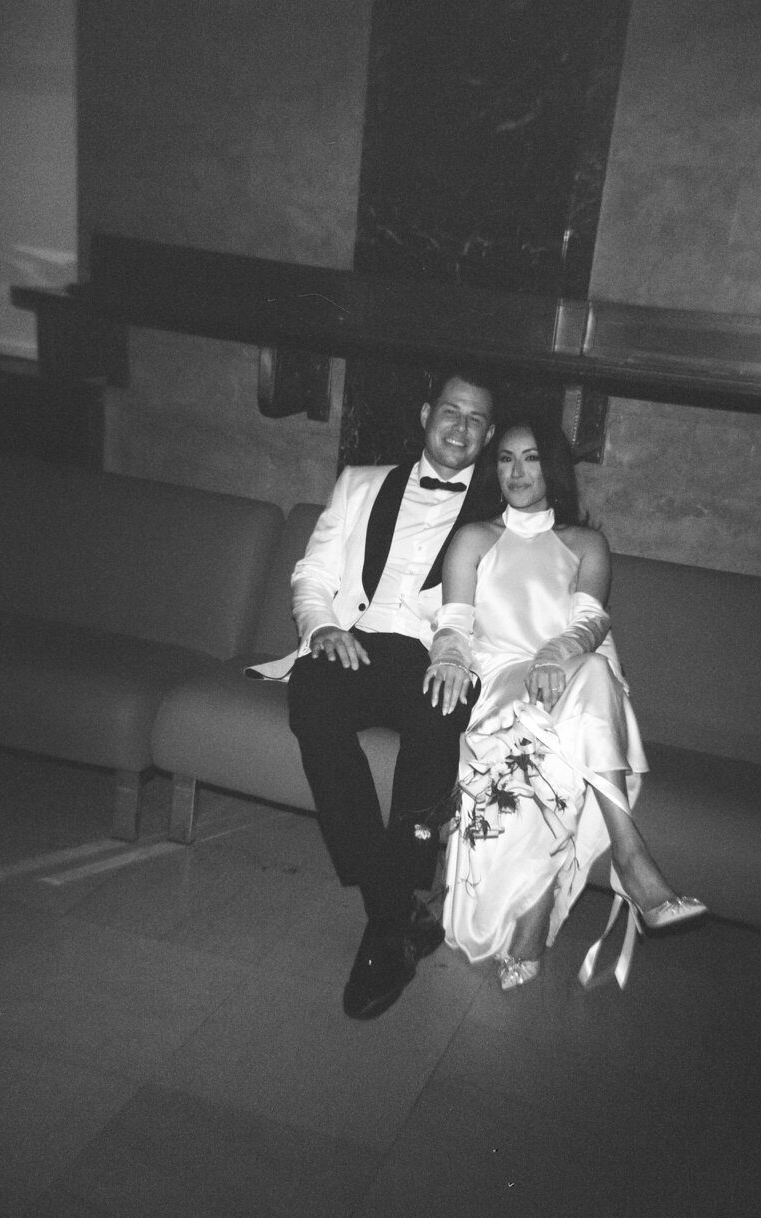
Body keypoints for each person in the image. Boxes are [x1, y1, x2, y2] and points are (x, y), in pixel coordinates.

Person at [423, 414, 705, 991]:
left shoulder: (585, 543)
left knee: (591, 674)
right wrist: (449, 655)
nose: (517, 472)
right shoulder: (477, 537)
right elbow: (454, 622)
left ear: (552, 468)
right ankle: (634, 860)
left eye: (530, 458)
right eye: (505, 459)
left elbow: (589, 621)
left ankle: (605, 873)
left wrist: (555, 656)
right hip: (502, 678)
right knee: (562, 720)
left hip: (571, 670)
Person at [271, 368, 496, 1020]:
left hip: (435, 657)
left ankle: (385, 917)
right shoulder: (360, 482)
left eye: (476, 419)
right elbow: (311, 572)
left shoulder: (498, 515)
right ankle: (395, 910)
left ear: (486, 433)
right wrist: (323, 629)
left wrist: (460, 658)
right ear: (427, 414)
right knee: (313, 700)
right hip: (356, 641)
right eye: (451, 411)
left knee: (440, 716)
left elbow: (503, 614)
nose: (461, 428)